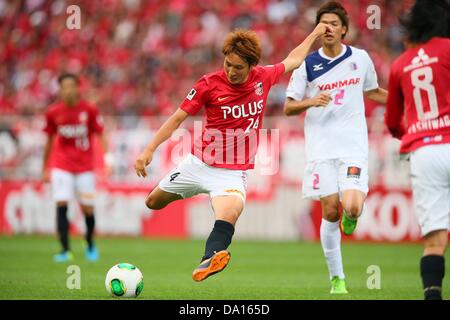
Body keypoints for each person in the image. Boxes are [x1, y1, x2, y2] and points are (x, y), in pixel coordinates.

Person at [134, 24, 332, 282]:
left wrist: (316, 33)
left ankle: (209, 259)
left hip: (231, 174)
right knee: (152, 202)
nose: (231, 71)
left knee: (229, 214)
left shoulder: (263, 77)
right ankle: (195, 206)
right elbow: (177, 118)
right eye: (228, 64)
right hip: (197, 165)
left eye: (238, 67)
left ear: (251, 66)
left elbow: (293, 60)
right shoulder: (209, 84)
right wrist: (149, 149)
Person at [284, 1, 387, 294]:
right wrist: (311, 101)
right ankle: (337, 278)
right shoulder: (307, 63)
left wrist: (403, 103)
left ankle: (351, 216)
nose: (327, 28)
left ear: (344, 30)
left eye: (333, 23)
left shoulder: (361, 58)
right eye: (322, 23)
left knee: (352, 206)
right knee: (329, 212)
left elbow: (373, 92)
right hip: (321, 151)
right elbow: (289, 107)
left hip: (353, 147)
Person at [385, 0, 450, 300]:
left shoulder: (400, 64)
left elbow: (392, 123)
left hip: (423, 152)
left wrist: (416, 133)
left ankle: (433, 296)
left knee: (435, 240)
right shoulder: (448, 49)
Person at [42, 73, 111, 262]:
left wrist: (108, 159)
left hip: (84, 168)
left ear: (78, 87)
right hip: (61, 166)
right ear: (60, 89)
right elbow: (48, 141)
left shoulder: (89, 110)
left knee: (87, 208)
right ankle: (65, 250)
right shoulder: (53, 112)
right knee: (62, 204)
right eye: (64, 87)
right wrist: (45, 167)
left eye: (71, 86)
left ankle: (89, 243)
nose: (68, 90)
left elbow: (101, 135)